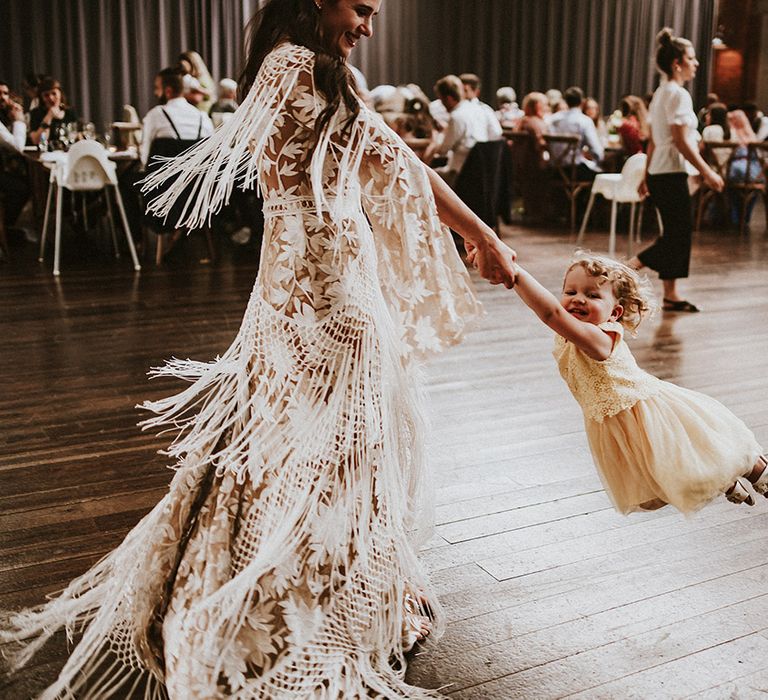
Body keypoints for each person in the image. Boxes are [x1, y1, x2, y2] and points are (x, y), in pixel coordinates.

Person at [1, 1, 517, 698]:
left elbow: (378, 168)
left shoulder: (285, 67)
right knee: (340, 447)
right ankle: (328, 602)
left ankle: (356, 579)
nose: (367, 25)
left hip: (298, 283)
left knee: (307, 442)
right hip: (328, 289)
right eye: (360, 8)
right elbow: (397, 166)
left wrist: (478, 235)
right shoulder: (307, 70)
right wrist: (481, 234)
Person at [499, 251, 767, 514]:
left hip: (645, 415)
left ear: (614, 313)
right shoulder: (572, 331)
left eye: (592, 295)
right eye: (571, 293)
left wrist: (516, 274)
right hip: (613, 423)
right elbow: (551, 314)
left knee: (684, 463)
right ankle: (725, 481)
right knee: (665, 483)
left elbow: (550, 314)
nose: (578, 300)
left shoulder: (599, 338)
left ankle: (755, 468)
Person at [627, 28, 724, 313]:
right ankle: (627, 268)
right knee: (677, 234)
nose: (696, 64)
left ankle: (671, 294)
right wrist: (708, 172)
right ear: (677, 63)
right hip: (670, 173)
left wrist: (647, 175)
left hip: (660, 172)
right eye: (692, 59)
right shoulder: (678, 94)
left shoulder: (660, 93)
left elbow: (655, 140)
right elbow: (680, 141)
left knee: (675, 231)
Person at [140, 67, 213, 168]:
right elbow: (212, 154)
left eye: (157, 88)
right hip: (196, 180)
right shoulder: (203, 117)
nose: (155, 93)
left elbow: (144, 154)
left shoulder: (156, 114)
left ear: (168, 91)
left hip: (162, 182)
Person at [423, 74, 488, 187]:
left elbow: (442, 150)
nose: (442, 105)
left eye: (442, 100)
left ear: (448, 98)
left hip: (459, 174)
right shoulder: (478, 110)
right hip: (481, 172)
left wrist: (435, 135)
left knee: (423, 177)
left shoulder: (456, 116)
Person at [550, 86, 604, 180]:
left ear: (566, 101)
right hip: (574, 172)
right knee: (600, 175)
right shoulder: (584, 121)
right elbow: (597, 152)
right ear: (582, 102)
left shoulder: (552, 119)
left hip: (553, 171)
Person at [27, 77, 77, 147]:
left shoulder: (69, 112)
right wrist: (49, 116)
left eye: (54, 93)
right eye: (46, 95)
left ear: (60, 94)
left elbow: (75, 136)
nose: (51, 98)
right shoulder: (36, 113)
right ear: (42, 98)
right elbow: (37, 141)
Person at [459, 73, 503, 141]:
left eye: (465, 91)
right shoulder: (445, 107)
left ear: (476, 92)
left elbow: (496, 134)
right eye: (459, 91)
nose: (461, 94)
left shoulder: (485, 110)